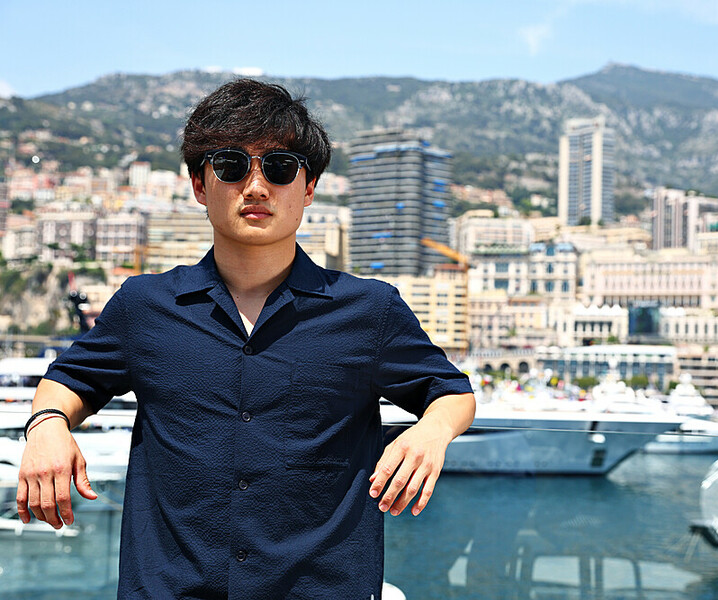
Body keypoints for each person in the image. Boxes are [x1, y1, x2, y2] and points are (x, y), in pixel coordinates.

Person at [17, 79, 476, 599]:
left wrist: (432, 432)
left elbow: (452, 393)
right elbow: (68, 380)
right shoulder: (144, 306)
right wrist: (47, 426)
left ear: (308, 188)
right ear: (199, 185)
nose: (256, 187)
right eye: (232, 166)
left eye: (279, 167)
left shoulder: (370, 310)